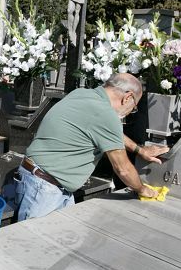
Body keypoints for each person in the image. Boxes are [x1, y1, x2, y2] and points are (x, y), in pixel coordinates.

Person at [14, 72, 168, 221]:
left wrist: (139, 150)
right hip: (44, 190)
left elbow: (110, 133)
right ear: (127, 97)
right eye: (133, 108)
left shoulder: (81, 94)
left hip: (42, 181)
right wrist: (142, 189)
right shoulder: (105, 114)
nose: (130, 112)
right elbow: (123, 169)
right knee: (36, 244)